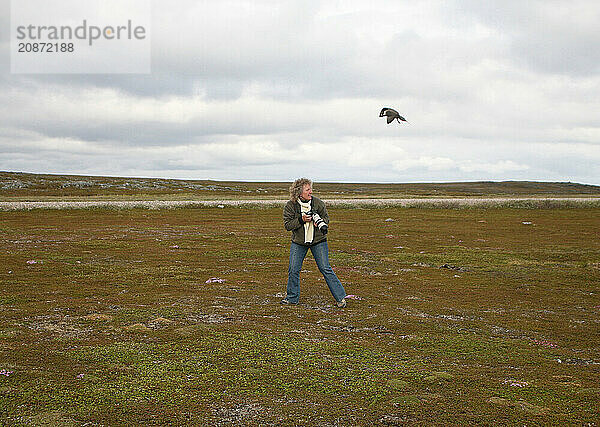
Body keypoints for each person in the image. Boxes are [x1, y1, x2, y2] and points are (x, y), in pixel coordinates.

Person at [282, 178, 347, 307]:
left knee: (325, 268)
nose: (311, 191)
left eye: (310, 189)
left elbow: (326, 220)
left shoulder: (318, 203)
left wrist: (319, 223)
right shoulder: (291, 205)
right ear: (299, 192)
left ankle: (341, 298)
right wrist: (301, 220)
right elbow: (288, 225)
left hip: (318, 241)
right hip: (299, 242)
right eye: (308, 189)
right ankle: (292, 298)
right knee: (293, 269)